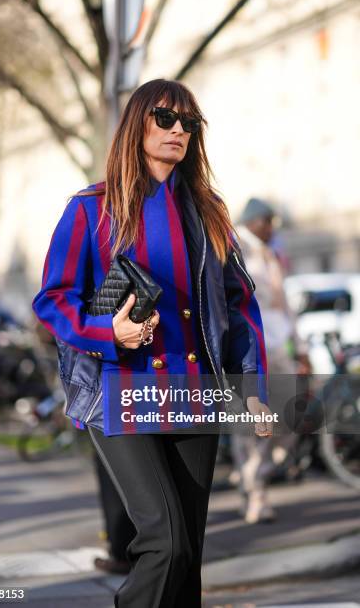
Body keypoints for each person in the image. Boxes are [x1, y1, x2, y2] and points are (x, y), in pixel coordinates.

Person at [32, 79, 271, 608]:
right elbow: (53, 298)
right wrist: (105, 332)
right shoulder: (90, 208)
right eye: (166, 118)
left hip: (195, 393)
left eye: (189, 123)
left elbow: (239, 305)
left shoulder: (209, 211)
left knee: (188, 557)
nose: (178, 131)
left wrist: (251, 387)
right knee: (165, 541)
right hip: (119, 389)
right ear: (137, 122)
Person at [231, 197, 311, 524]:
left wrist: (301, 347)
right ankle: (255, 493)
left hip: (279, 349)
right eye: (266, 221)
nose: (271, 227)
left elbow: (285, 306)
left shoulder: (272, 253)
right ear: (252, 221)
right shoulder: (236, 249)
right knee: (251, 427)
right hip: (252, 350)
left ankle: (253, 475)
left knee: (292, 415)